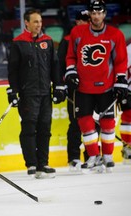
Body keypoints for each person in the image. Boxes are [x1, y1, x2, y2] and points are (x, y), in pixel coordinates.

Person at [65, 0, 128, 172]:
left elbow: (121, 61)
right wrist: (71, 72)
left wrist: (120, 79)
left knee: (107, 123)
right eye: (93, 13)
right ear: (90, 15)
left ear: (104, 14)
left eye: (99, 13)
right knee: (85, 123)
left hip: (106, 87)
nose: (96, 16)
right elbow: (70, 57)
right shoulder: (77, 32)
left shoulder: (115, 35)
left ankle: (107, 156)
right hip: (83, 87)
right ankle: (93, 156)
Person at [6, 9, 66, 179]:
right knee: (29, 128)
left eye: (40, 21)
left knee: (45, 128)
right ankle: (31, 164)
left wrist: (59, 86)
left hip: (45, 93)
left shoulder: (47, 41)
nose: (39, 25)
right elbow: (13, 71)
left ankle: (43, 163)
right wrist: (14, 91)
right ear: (26, 23)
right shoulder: (18, 43)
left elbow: (55, 66)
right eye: (35, 22)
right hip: (27, 94)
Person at [57, 10, 89, 171]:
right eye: (83, 20)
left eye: (88, 20)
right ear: (77, 22)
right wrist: (62, 84)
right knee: (76, 124)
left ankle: (91, 156)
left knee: (93, 124)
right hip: (74, 90)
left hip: (92, 89)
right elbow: (60, 66)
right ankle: (74, 158)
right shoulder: (68, 40)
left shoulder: (95, 39)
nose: (86, 22)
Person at [120, 43, 131, 161]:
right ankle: (128, 145)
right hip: (128, 90)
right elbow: (122, 69)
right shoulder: (129, 50)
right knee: (128, 116)